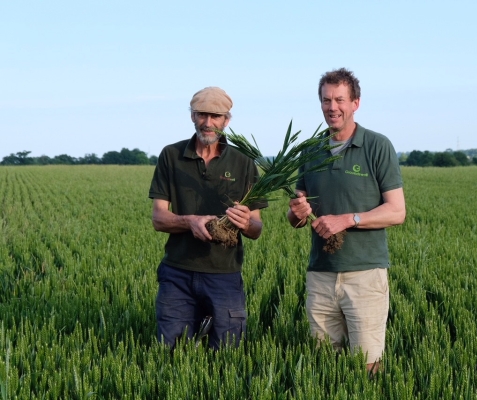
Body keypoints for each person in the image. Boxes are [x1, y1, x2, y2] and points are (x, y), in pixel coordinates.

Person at [287, 68, 406, 374]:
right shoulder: (310, 151)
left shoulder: (377, 146)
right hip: (321, 274)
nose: (332, 107)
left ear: (356, 103)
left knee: (368, 364)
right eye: (326, 100)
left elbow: (396, 211)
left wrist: (348, 220)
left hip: (364, 274)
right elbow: (296, 218)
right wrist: (296, 212)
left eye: (340, 99)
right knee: (324, 364)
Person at [149, 86, 266, 349]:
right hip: (177, 274)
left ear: (227, 120)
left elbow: (256, 229)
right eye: (202, 114)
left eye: (216, 116)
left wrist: (245, 222)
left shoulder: (243, 161)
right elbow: (158, 218)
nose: (208, 122)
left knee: (226, 353)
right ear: (192, 116)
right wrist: (189, 222)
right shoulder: (171, 156)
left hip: (224, 276)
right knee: (171, 352)